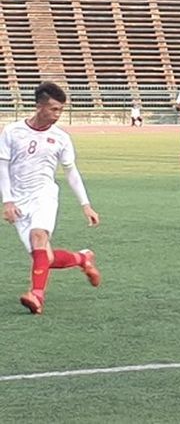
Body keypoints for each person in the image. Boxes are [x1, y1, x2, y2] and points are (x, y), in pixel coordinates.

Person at [0, 82, 101, 315]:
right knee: (45, 257)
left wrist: (86, 205)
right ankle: (82, 258)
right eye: (54, 109)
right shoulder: (12, 132)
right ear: (39, 106)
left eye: (61, 110)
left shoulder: (61, 138)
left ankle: (36, 296)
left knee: (38, 237)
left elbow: (71, 172)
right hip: (19, 200)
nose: (58, 115)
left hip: (44, 195)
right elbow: (3, 168)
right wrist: (8, 201)